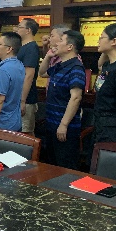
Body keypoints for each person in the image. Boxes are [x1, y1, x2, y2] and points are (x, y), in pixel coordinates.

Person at [38, 30, 86, 169]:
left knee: (65, 166)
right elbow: (42, 73)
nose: (56, 44)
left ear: (70, 47)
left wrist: (64, 125)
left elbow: (76, 97)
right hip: (52, 123)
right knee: (52, 164)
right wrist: (48, 56)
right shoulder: (60, 65)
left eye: (61, 41)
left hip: (65, 127)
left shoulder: (76, 67)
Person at [0, 32, 25, 131]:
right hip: (15, 120)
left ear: (9, 49)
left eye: (0, 44)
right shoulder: (19, 65)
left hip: (3, 123)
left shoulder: (4, 70)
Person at [14, 18, 40, 135]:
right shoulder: (21, 46)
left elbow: (29, 75)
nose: (17, 29)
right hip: (17, 96)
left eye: (19, 27)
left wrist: (22, 100)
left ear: (28, 30)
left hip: (27, 98)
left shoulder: (31, 48)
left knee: (25, 133)